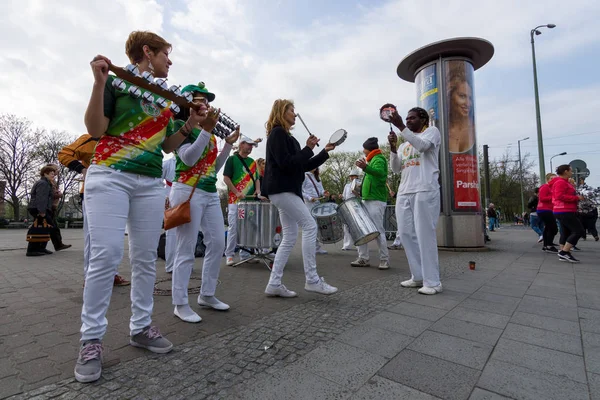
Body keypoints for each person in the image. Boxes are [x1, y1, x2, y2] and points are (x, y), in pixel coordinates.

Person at [76, 31, 209, 383]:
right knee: (105, 256)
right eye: (167, 53)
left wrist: (192, 124)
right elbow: (94, 127)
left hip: (150, 183)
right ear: (147, 52)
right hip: (110, 176)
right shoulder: (118, 84)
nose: (171, 60)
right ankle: (91, 340)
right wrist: (98, 84)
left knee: (146, 257)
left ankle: (141, 327)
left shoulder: (165, 99)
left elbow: (167, 145)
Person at [169, 82, 239, 323]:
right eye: (200, 100)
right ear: (188, 102)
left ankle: (207, 294)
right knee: (186, 248)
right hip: (187, 190)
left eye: (207, 101)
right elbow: (188, 159)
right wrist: (207, 131)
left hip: (209, 191)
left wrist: (228, 144)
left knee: (218, 243)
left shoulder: (209, 134)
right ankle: (180, 303)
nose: (206, 105)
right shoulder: (180, 126)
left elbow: (214, 169)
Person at [262, 99, 338, 298]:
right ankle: (312, 280)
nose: (295, 114)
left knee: (289, 237)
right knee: (310, 226)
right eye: (291, 110)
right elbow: (286, 164)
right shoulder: (277, 133)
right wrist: (308, 148)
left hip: (285, 190)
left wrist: (323, 151)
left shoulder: (289, 138)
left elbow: (302, 165)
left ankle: (274, 283)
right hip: (283, 189)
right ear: (281, 112)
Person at [58, 135, 130, 286]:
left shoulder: (124, 137)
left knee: (115, 237)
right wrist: (82, 169)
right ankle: (90, 277)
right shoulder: (90, 138)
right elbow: (64, 154)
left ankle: (113, 274)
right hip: (94, 192)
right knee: (94, 237)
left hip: (120, 193)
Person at [388, 107, 442, 295]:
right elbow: (395, 169)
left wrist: (401, 126)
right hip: (405, 191)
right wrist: (394, 149)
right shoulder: (404, 145)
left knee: (425, 235)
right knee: (405, 234)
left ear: (423, 119)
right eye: (407, 118)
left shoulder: (432, 132)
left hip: (425, 189)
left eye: (412, 118)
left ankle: (433, 282)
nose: (409, 120)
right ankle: (418, 276)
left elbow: (423, 146)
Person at [351, 137, 390, 269]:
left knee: (378, 230)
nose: (363, 151)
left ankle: (384, 259)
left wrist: (366, 167)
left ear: (369, 149)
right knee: (362, 229)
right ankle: (363, 258)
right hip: (368, 199)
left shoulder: (378, 159)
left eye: (364, 148)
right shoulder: (373, 160)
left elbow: (380, 174)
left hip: (375, 200)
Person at [223, 135, 261, 266]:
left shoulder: (252, 162)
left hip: (250, 201)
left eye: (252, 146)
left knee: (249, 227)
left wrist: (257, 190)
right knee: (234, 228)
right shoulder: (232, 159)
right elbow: (226, 178)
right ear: (241, 144)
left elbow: (256, 179)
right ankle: (229, 255)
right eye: (249, 145)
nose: (251, 147)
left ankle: (246, 254)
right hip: (235, 201)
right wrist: (236, 192)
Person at [26, 165, 68, 256]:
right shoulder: (43, 183)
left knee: (44, 228)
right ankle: (32, 250)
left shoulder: (47, 183)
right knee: (39, 228)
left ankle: (41, 248)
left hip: (43, 209)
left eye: (54, 173)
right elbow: (41, 198)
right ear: (45, 174)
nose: (54, 175)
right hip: (39, 209)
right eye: (52, 174)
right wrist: (42, 212)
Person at [552, 165, 585, 263]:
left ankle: (564, 252)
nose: (572, 172)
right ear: (566, 171)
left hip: (565, 210)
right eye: (570, 170)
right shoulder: (560, 183)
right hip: (564, 210)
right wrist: (576, 198)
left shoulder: (565, 182)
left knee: (566, 232)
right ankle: (564, 252)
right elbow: (559, 196)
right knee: (578, 230)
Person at [446, 66, 475, 153]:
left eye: (470, 98)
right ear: (450, 96)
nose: (468, 103)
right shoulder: (440, 129)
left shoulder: (472, 129)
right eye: (462, 96)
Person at [302, 167, 329, 255]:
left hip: (318, 202)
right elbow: (301, 191)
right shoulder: (304, 176)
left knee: (317, 225)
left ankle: (317, 247)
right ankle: (312, 248)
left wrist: (324, 193)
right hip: (309, 203)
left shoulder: (318, 177)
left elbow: (321, 190)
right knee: (312, 225)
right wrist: (309, 198)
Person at [537, 173, 559, 253]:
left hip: (548, 209)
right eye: (551, 179)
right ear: (547, 179)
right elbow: (542, 198)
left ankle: (546, 245)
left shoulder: (552, 188)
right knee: (553, 228)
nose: (554, 180)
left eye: (555, 179)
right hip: (544, 210)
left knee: (548, 228)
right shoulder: (545, 187)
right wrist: (553, 197)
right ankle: (549, 245)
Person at [162, 157, 176, 273]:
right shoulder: (167, 164)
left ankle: (184, 263)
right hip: (170, 199)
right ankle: (170, 265)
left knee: (187, 234)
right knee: (171, 234)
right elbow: (156, 180)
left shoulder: (193, 161)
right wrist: (164, 197)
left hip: (188, 197)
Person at [341, 169, 360, 251]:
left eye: (353, 176)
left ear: (357, 176)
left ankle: (358, 244)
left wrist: (356, 193)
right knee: (346, 226)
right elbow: (344, 197)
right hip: (347, 206)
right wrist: (341, 196)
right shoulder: (347, 186)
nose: (351, 178)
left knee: (356, 226)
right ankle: (346, 245)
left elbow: (361, 196)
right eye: (350, 176)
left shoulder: (359, 184)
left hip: (356, 206)